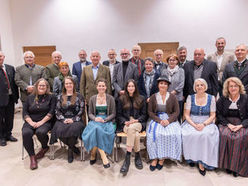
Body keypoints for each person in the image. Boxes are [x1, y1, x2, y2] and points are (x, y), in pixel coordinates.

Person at [181, 78, 219, 176]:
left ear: (205, 86)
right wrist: (194, 125)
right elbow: (187, 115)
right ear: (194, 87)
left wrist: (203, 124)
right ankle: (192, 158)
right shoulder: (190, 97)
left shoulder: (211, 98)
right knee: (190, 134)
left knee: (205, 135)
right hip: (192, 121)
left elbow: (213, 115)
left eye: (201, 85)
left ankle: (202, 161)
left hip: (207, 122)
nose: (199, 87)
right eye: (197, 85)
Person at [147, 76, 181, 171]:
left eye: (165, 84)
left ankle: (162, 158)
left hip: (169, 119)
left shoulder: (172, 97)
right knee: (154, 135)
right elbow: (150, 112)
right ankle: (154, 158)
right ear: (158, 85)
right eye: (161, 83)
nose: (163, 85)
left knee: (172, 134)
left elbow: (176, 112)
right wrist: (159, 120)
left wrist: (168, 120)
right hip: (157, 119)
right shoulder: (153, 97)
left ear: (168, 86)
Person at [216, 77, 248, 177]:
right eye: (231, 86)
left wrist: (241, 126)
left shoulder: (245, 98)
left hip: (241, 123)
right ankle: (227, 166)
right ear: (227, 88)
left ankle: (236, 167)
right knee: (225, 135)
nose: (233, 88)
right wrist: (228, 124)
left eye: (235, 86)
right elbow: (219, 114)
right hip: (226, 122)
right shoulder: (223, 98)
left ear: (239, 87)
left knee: (240, 137)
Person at [22, 78, 56, 170]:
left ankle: (45, 147)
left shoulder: (51, 97)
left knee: (40, 132)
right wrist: (31, 122)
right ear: (36, 86)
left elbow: (51, 112)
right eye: (40, 85)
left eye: (43, 85)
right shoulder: (29, 97)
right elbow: (25, 112)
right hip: (31, 121)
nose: (41, 87)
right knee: (26, 133)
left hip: (45, 121)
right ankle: (32, 157)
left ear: (47, 87)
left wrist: (41, 122)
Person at [82, 78, 115, 168]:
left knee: (98, 131)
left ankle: (93, 153)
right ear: (97, 87)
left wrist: (105, 119)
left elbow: (113, 113)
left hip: (107, 121)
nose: (101, 87)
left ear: (106, 87)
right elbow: (90, 113)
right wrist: (95, 118)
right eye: (99, 86)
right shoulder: (92, 98)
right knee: (96, 129)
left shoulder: (110, 98)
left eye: (103, 86)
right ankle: (103, 157)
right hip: (95, 121)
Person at [50, 77, 85, 163]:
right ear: (64, 85)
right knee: (58, 130)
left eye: (70, 83)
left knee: (73, 129)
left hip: (76, 119)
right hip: (62, 119)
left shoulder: (79, 96)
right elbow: (57, 110)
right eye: (67, 84)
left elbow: (82, 110)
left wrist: (73, 119)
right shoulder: (60, 96)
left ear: (73, 85)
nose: (69, 85)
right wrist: (63, 119)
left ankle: (70, 151)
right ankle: (72, 147)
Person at [117, 79, 147, 175]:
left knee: (132, 129)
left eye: (132, 86)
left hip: (138, 123)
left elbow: (144, 115)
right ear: (126, 87)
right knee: (136, 135)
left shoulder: (141, 98)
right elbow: (118, 115)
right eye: (129, 86)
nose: (131, 88)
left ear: (135, 87)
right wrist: (125, 122)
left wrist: (136, 120)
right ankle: (137, 155)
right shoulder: (121, 99)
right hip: (126, 124)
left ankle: (128, 157)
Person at [0, 51, 19, 146]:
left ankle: (8, 134)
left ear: (4, 57)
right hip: (0, 99)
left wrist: (16, 97)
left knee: (10, 118)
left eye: (1, 56)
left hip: (11, 97)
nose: (0, 58)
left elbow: (14, 83)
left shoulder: (10, 68)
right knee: (1, 119)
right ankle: (2, 137)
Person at [161, 54, 185, 122]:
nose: (171, 61)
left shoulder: (181, 71)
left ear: (177, 61)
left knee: (177, 115)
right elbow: (162, 83)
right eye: (170, 60)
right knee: (167, 115)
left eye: (173, 60)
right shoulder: (164, 71)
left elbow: (181, 84)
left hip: (177, 97)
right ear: (168, 61)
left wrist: (173, 92)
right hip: (166, 97)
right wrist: (167, 93)